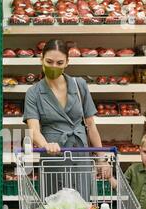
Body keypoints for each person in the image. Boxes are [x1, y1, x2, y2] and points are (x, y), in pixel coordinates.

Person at [23, 39, 111, 199]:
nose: (54, 67)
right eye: (49, 62)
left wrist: (101, 158)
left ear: (67, 63)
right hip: (53, 157)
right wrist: (45, 145)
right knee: (55, 206)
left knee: (82, 205)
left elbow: (91, 125)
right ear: (41, 60)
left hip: (80, 153)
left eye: (59, 62)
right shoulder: (33, 93)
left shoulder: (79, 85)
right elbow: (34, 130)